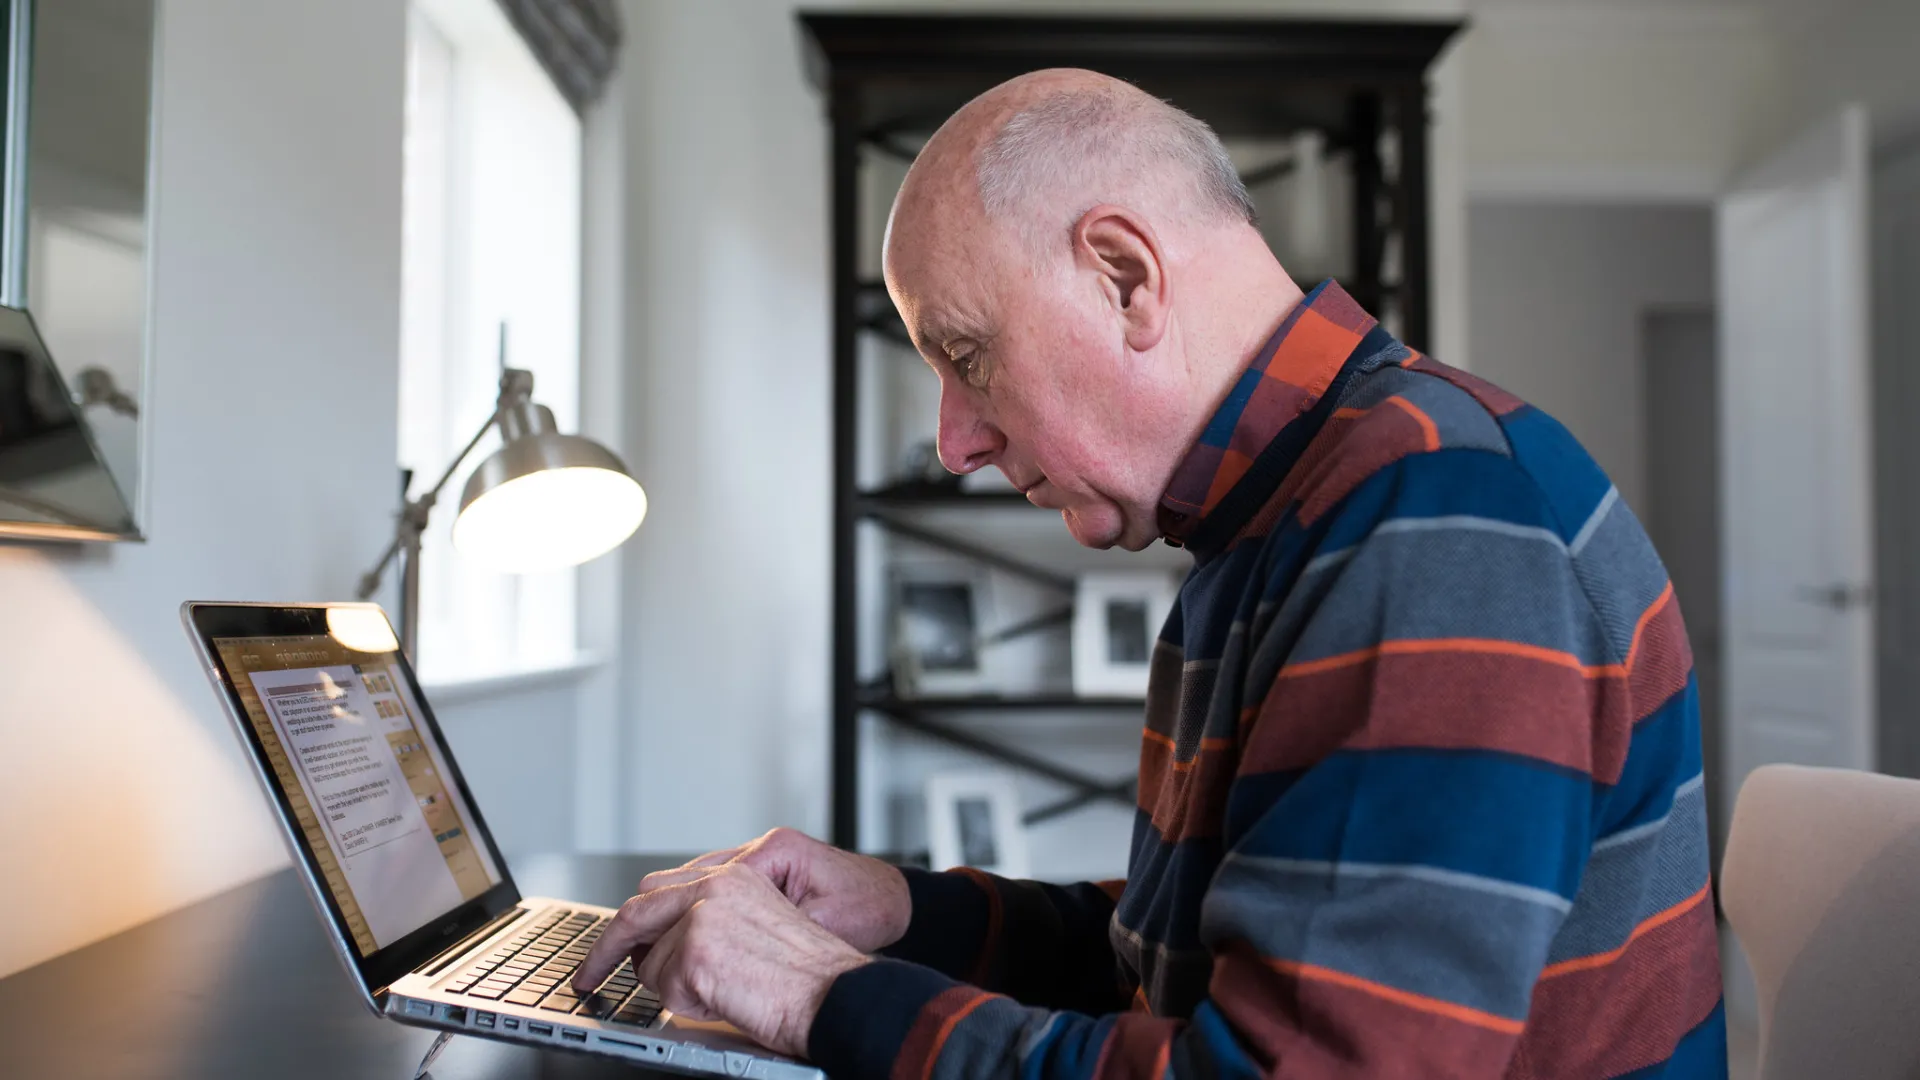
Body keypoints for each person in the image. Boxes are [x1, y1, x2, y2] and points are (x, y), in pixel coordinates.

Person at [575, 68, 1725, 1078]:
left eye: (967, 357)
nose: (955, 443)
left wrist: (819, 994)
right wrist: (903, 913)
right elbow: (1209, 952)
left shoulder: (1432, 521)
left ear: (1124, 276)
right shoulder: (1295, 509)